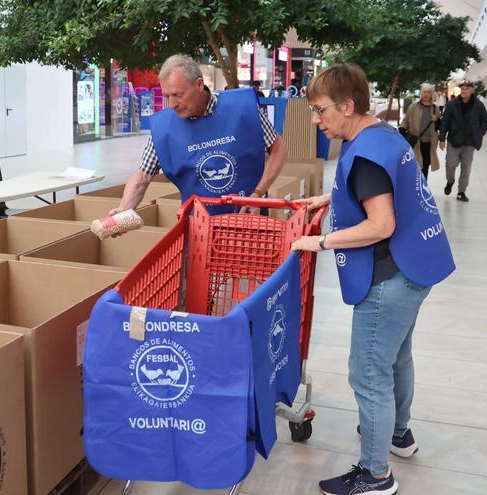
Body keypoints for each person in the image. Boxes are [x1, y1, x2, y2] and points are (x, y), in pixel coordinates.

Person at [290, 63, 455, 495]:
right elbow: (379, 187)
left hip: (391, 275)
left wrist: (323, 243)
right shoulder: (381, 134)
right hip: (418, 263)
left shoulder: (364, 153)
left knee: (367, 372)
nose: (315, 119)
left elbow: (380, 224)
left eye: (320, 110)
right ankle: (398, 435)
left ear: (347, 106)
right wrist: (330, 195)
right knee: (397, 356)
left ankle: (376, 474)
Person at [111, 54, 286, 217]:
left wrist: (258, 193)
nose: (172, 104)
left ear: (199, 84)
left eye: (178, 95)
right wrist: (124, 210)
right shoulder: (164, 128)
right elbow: (143, 176)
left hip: (250, 218)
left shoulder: (242, 108)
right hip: (200, 227)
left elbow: (278, 148)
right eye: (167, 96)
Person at [438, 80, 487, 202]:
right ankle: (450, 181)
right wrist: (442, 138)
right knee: (450, 165)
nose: (464, 91)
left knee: (466, 168)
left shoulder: (478, 105)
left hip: (470, 142)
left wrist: (479, 133)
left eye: (467, 89)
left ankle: (461, 192)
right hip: (454, 140)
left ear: (472, 90)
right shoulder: (452, 104)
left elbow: (485, 121)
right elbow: (445, 121)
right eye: (462, 89)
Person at [400, 83, 440, 178]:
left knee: (425, 166)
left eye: (429, 92)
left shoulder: (435, 108)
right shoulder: (413, 107)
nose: (426, 94)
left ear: (432, 94)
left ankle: (423, 188)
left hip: (429, 143)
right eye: (424, 92)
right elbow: (405, 121)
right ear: (421, 93)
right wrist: (402, 134)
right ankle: (414, 188)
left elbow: (439, 126)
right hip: (415, 141)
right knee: (414, 166)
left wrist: (437, 120)